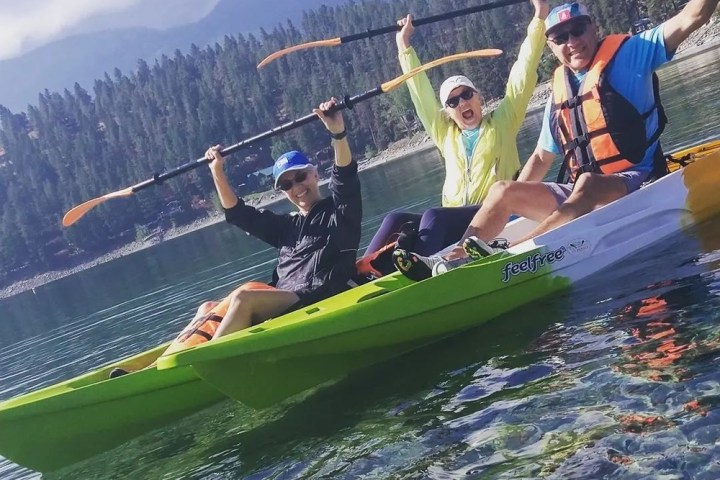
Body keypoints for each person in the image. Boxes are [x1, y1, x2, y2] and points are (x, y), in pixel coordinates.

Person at [393, 0, 720, 281]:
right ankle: (450, 259)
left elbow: (693, 17)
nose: (572, 41)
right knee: (503, 189)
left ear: (593, 29)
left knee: (587, 183)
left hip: (636, 179)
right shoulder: (560, 90)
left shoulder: (633, 51)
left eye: (578, 30)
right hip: (583, 192)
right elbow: (539, 159)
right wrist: (507, 205)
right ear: (552, 45)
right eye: (560, 37)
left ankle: (514, 255)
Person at [110, 98, 361, 376]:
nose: (296, 187)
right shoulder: (286, 228)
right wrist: (216, 171)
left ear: (314, 175)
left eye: (300, 177)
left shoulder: (340, 213)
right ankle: (155, 370)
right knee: (208, 307)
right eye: (287, 184)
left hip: (317, 296)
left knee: (244, 298)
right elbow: (238, 214)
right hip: (284, 299)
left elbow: (345, 178)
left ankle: (203, 366)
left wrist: (337, 132)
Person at [357, 0, 550, 278]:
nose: (462, 103)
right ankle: (363, 275)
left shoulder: (502, 123)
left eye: (467, 95)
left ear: (479, 97)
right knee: (395, 219)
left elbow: (523, 73)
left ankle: (422, 271)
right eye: (453, 101)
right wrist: (404, 46)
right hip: (454, 220)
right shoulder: (445, 134)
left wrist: (539, 18)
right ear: (447, 112)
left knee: (434, 217)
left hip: (490, 213)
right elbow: (420, 93)